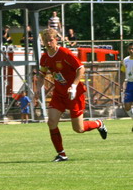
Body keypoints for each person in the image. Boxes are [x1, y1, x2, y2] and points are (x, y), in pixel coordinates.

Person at [36, 28, 107, 162]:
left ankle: (99, 123)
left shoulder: (64, 53)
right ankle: (62, 154)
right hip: (59, 94)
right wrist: (38, 90)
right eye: (45, 40)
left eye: (51, 40)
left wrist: (74, 86)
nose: (48, 43)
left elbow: (81, 68)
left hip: (75, 94)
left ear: (56, 40)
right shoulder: (44, 58)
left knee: (78, 129)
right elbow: (41, 74)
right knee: (51, 122)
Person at [122, 42, 133, 132]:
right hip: (129, 84)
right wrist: (122, 83)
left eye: (132, 48)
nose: (131, 50)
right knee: (127, 106)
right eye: (130, 49)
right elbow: (122, 72)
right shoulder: (125, 60)